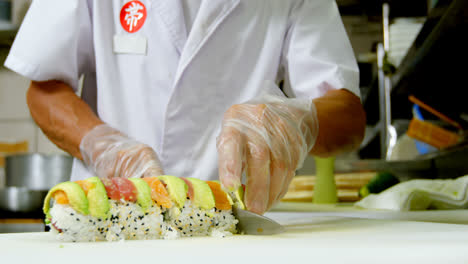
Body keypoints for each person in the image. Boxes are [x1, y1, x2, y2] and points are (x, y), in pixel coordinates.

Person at [4, 0, 366, 214]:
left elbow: (348, 115)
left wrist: (301, 122)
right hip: (108, 217)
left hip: (235, 224)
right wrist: (104, 146)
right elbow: (44, 89)